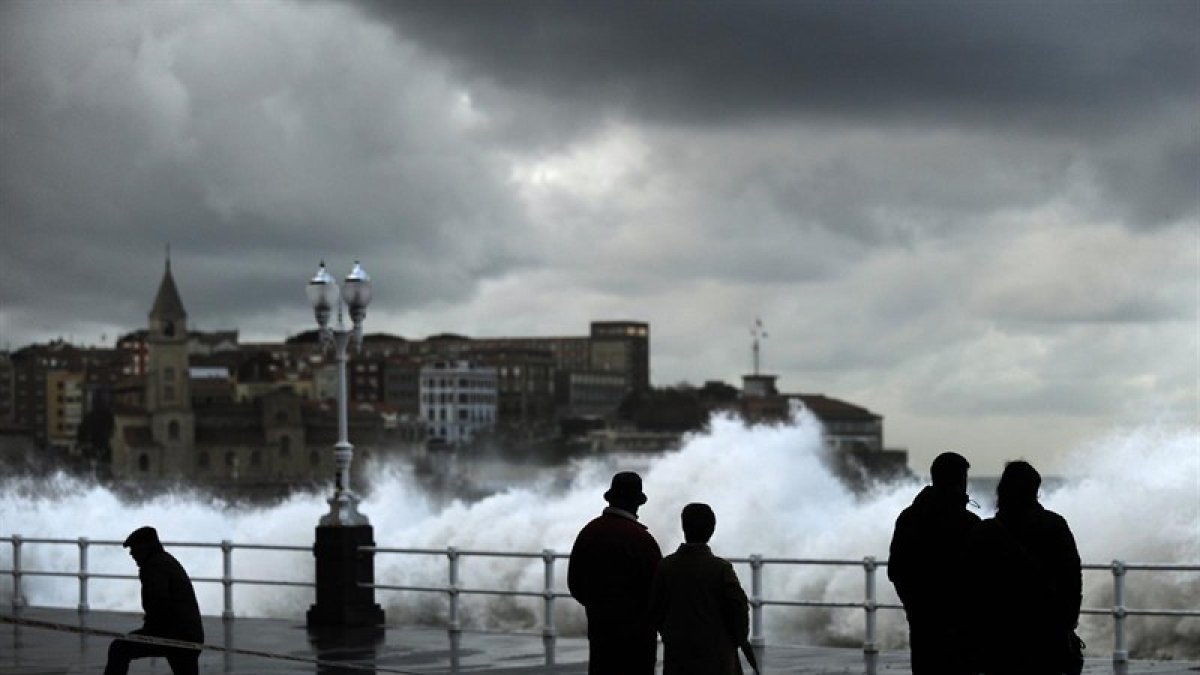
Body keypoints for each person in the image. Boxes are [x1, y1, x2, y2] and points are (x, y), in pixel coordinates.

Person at [969, 460, 1082, 675]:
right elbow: (1072, 580)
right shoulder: (1055, 526)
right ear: (1035, 490)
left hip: (1000, 638)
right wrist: (1067, 622)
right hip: (1046, 635)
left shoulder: (986, 532)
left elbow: (971, 586)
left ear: (1002, 491)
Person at [888, 451, 981, 675]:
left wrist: (915, 607)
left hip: (924, 625)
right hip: (963, 627)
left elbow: (896, 571)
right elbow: (982, 577)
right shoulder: (969, 524)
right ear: (961, 481)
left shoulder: (909, 518)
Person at [568, 471, 663, 675]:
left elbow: (575, 583)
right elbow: (658, 590)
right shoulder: (641, 539)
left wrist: (599, 606)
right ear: (635, 503)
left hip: (600, 630)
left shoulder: (589, 532)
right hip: (637, 637)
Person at [649, 503, 753, 675]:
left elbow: (655, 610)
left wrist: (670, 635)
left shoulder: (666, 566)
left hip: (678, 656)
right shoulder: (721, 568)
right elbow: (738, 608)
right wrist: (737, 639)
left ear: (684, 527)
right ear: (712, 529)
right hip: (717, 657)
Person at [104, 526, 204, 675]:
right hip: (189, 634)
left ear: (145, 547)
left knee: (120, 648)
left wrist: (150, 632)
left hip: (175, 636)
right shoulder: (165, 560)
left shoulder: (153, 566)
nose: (131, 553)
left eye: (134, 548)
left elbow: (159, 603)